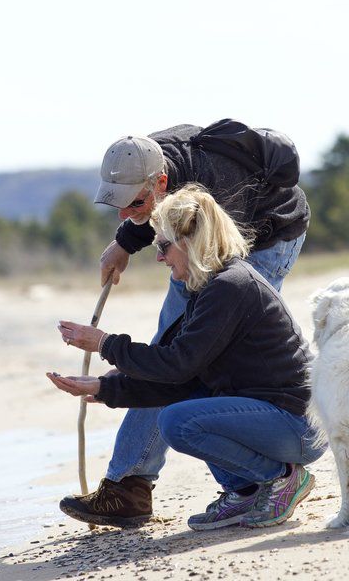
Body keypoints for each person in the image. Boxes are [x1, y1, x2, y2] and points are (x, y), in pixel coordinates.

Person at [65, 119, 310, 527]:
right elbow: (156, 213)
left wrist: (107, 346)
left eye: (134, 205)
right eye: (118, 205)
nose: (125, 214)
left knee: (188, 353)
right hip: (196, 237)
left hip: (268, 232)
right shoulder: (142, 155)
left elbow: (177, 365)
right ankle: (235, 485)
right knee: (181, 353)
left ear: (161, 182)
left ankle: (133, 485)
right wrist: (125, 240)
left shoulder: (219, 192)